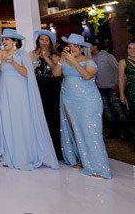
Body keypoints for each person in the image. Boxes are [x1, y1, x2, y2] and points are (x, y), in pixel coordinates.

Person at [0, 29, 58, 171]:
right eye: (3, 39)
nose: (4, 42)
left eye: (7, 39)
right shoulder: (0, 53)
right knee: (6, 119)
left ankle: (23, 154)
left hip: (19, 92)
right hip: (4, 91)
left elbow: (28, 73)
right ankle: (7, 153)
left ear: (14, 41)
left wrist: (12, 62)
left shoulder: (22, 55)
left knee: (20, 120)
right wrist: (1, 62)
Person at [53, 34, 112, 179]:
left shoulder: (89, 61)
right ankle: (81, 160)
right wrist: (61, 61)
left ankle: (99, 167)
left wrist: (74, 61)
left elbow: (87, 76)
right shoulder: (65, 60)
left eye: (76, 46)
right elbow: (55, 73)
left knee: (90, 130)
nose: (72, 48)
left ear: (81, 48)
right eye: (70, 46)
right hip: (68, 98)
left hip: (87, 100)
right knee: (74, 129)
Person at [32, 29, 62, 159]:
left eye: (46, 40)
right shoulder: (31, 54)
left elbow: (57, 72)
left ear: (50, 42)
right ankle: (40, 149)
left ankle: (55, 149)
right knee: (38, 116)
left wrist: (45, 57)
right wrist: (36, 58)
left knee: (53, 117)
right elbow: (27, 70)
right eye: (41, 39)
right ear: (38, 41)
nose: (44, 42)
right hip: (37, 87)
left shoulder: (55, 56)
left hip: (52, 88)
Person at [91, 39, 125, 138]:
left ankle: (126, 131)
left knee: (119, 109)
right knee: (107, 111)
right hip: (100, 88)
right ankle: (115, 130)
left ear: (95, 46)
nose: (86, 48)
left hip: (111, 88)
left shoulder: (107, 56)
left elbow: (117, 70)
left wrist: (117, 84)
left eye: (88, 46)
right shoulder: (90, 58)